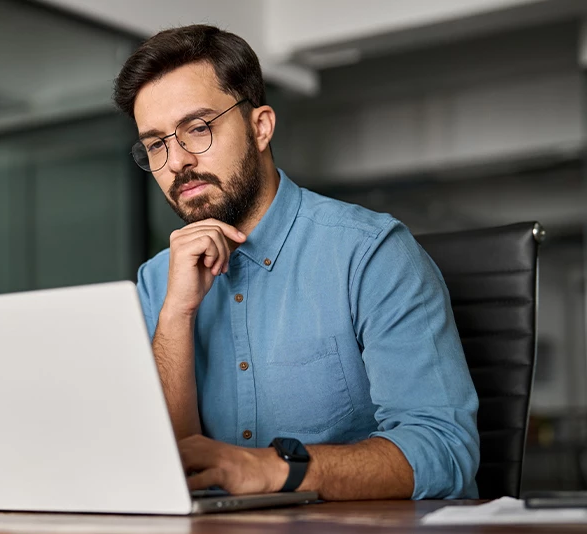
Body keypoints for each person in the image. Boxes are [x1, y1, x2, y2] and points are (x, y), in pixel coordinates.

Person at [113, 24, 479, 500]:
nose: (177, 160)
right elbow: (163, 465)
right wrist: (176, 315)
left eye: (197, 128)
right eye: (157, 144)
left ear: (260, 127)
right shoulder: (157, 280)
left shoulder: (370, 253)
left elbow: (445, 449)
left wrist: (274, 468)